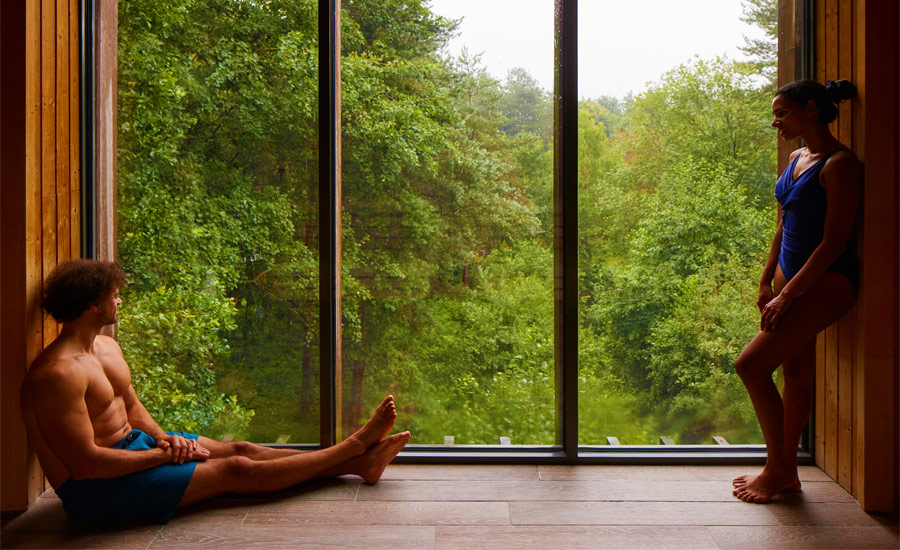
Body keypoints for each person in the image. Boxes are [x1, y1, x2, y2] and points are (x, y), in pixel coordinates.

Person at [20, 259, 410, 524]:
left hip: (135, 448)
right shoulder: (58, 374)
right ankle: (353, 448)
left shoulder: (105, 347)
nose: (119, 300)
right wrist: (161, 456)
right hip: (96, 494)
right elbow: (85, 464)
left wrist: (166, 440)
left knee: (243, 449)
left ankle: (359, 463)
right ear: (92, 305)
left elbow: (132, 406)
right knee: (234, 470)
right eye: (114, 295)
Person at [732, 79, 860, 503]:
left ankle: (780, 468)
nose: (775, 122)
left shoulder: (840, 164)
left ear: (810, 109)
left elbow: (834, 242)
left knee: (750, 366)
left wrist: (789, 296)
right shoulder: (797, 157)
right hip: (789, 283)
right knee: (798, 372)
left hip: (825, 285)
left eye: (782, 113)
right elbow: (785, 223)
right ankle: (783, 469)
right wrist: (767, 280)